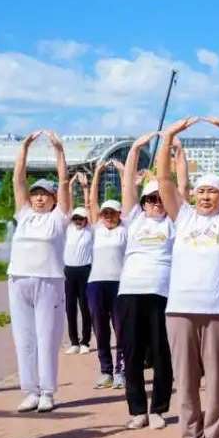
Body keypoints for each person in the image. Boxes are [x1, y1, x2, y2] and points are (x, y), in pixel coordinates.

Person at [157, 116, 219, 438]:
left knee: (218, 383)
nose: (206, 196)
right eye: (201, 191)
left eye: (213, 191)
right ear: (193, 195)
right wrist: (168, 137)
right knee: (186, 383)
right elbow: (163, 179)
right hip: (180, 310)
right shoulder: (183, 219)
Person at [116, 132, 183, 430]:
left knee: (161, 352)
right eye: (151, 199)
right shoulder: (133, 218)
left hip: (162, 292)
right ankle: (137, 410)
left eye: (160, 198)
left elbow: (180, 187)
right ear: (143, 202)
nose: (156, 203)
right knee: (131, 352)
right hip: (130, 292)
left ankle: (158, 408)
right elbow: (127, 183)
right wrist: (135, 149)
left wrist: (177, 155)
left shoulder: (173, 223)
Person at [7, 130, 73, 413]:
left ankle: (47, 391)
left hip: (49, 281)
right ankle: (30, 390)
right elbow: (17, 179)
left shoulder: (59, 219)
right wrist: (24, 148)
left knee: (47, 338)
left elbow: (64, 182)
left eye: (45, 195)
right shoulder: (23, 215)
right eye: (35, 194)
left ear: (54, 199)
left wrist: (59, 152)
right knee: (24, 338)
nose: (38, 199)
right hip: (18, 279)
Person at [84, 161, 128, 389]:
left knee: (121, 328)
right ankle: (106, 371)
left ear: (119, 214)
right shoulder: (96, 230)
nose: (108, 216)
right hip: (96, 285)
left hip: (121, 285)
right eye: (105, 213)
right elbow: (91, 201)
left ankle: (122, 371)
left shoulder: (126, 229)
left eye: (112, 213)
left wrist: (123, 174)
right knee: (100, 329)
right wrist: (98, 173)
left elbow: (130, 196)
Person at [62, 177, 94, 355]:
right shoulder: (68, 228)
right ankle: (74, 342)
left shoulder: (91, 230)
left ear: (86, 219)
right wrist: (70, 186)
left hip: (85, 271)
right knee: (70, 307)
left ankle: (85, 342)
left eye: (81, 218)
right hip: (69, 271)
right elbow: (67, 206)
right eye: (75, 218)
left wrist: (85, 187)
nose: (78, 220)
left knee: (85, 307)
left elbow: (89, 206)